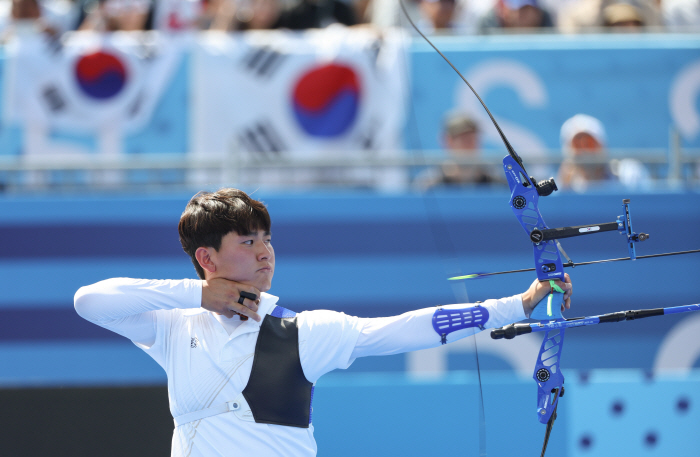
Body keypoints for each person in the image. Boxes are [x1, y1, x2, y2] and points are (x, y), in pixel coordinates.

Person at [74, 188, 573, 456]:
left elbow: (409, 328)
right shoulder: (173, 326)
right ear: (206, 257)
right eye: (247, 242)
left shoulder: (303, 332)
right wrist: (199, 294)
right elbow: (89, 301)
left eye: (267, 239)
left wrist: (521, 303)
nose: (265, 252)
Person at [415, 113, 502, 189]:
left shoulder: (495, 181)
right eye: (464, 139)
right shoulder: (429, 183)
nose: (470, 145)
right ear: (448, 141)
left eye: (474, 139)